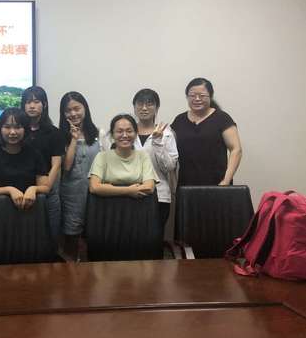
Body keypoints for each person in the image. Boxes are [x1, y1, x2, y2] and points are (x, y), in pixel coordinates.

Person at [171, 78, 242, 186]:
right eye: (192, 95)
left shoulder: (222, 118)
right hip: (186, 186)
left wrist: (226, 180)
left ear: (211, 96)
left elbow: (236, 149)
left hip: (218, 185)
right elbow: (170, 151)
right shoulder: (179, 120)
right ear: (187, 97)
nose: (197, 99)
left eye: (202, 95)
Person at [58, 92, 102, 259]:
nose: (73, 113)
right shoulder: (60, 135)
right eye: (68, 110)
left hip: (95, 193)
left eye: (77, 108)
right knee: (71, 238)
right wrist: (74, 139)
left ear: (85, 109)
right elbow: (67, 166)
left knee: (94, 237)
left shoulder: (99, 133)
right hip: (71, 194)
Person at [0, 108, 50, 209]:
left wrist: (33, 189)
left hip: (29, 210)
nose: (12, 132)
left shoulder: (35, 154)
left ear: (25, 129)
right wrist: (9, 190)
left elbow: (46, 187)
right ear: (0, 129)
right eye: (7, 127)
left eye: (18, 127)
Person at [21, 86, 66, 240]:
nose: (32, 106)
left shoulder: (55, 133)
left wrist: (44, 188)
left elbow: (56, 164)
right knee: (24, 238)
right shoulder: (19, 132)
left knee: (50, 238)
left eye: (36, 102)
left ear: (44, 104)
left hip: (49, 193)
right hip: (23, 192)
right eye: (28, 102)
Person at [132, 89, 178, 232]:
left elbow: (169, 167)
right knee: (130, 237)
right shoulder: (126, 133)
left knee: (154, 237)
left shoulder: (167, 134)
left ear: (157, 108)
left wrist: (158, 142)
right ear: (134, 107)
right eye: (140, 103)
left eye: (149, 104)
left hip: (159, 196)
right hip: (129, 194)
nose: (144, 108)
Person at [89, 114, 158, 197]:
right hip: (107, 204)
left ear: (136, 134)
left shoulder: (143, 156)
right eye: (119, 131)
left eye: (129, 131)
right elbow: (94, 187)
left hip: (139, 204)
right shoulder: (102, 156)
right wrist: (129, 190)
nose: (125, 135)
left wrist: (108, 188)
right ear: (112, 135)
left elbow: (149, 187)